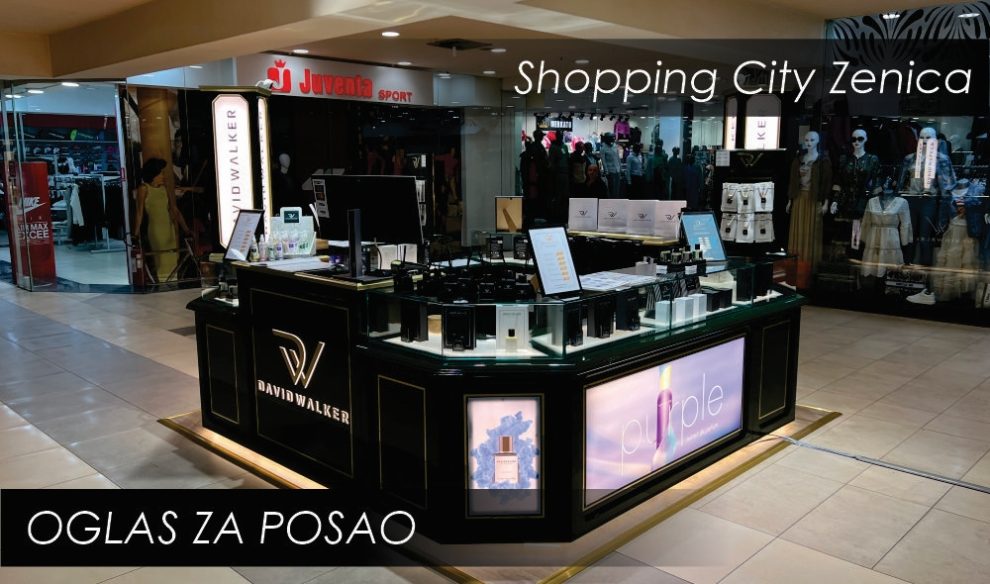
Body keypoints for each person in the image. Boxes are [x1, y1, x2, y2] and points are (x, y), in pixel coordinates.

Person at [133, 158, 190, 283]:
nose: (163, 176)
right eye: (160, 173)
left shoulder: (165, 188)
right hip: (156, 230)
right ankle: (164, 284)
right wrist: (135, 234)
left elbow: (174, 209)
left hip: (169, 228)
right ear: (153, 174)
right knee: (162, 260)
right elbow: (139, 213)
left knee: (172, 258)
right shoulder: (144, 189)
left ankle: (173, 284)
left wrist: (186, 228)